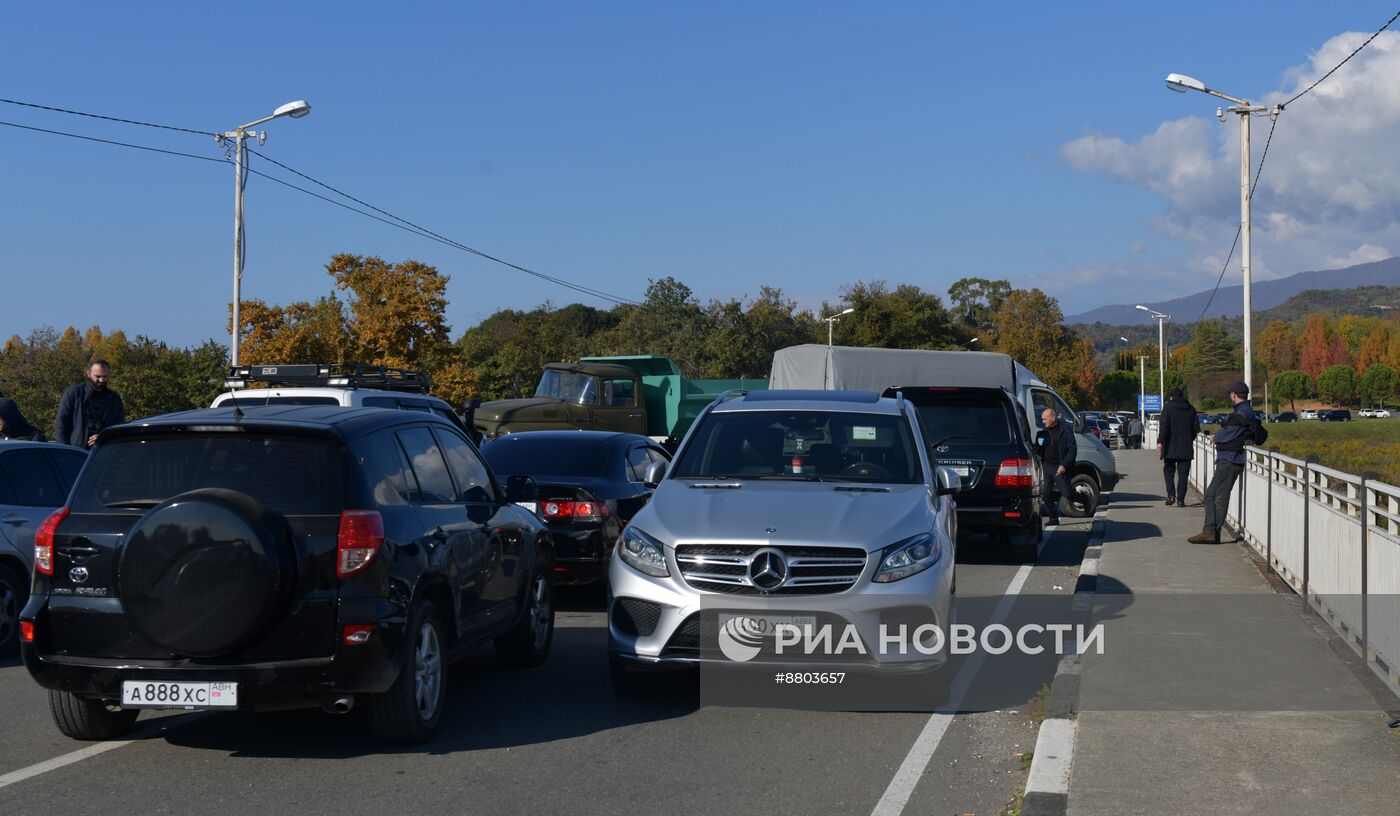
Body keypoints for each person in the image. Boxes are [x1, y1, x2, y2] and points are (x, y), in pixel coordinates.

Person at [1189, 381, 1256, 545]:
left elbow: (1227, 433)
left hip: (1230, 459)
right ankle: (1212, 532)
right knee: (1218, 495)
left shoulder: (1241, 413)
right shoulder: (1246, 411)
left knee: (1214, 495)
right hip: (1232, 458)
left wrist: (1216, 437)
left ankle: (1210, 532)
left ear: (1234, 395)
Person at [54, 359, 125, 449]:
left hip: (103, 450)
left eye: (105, 376)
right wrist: (64, 450)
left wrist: (104, 437)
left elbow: (119, 427)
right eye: (98, 376)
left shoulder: (114, 399)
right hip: (76, 450)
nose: (102, 380)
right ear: (88, 373)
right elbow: (61, 423)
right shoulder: (75, 393)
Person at [1156, 389, 1199, 506]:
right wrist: (1189, 439)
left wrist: (1160, 442)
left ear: (1171, 397)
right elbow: (1196, 428)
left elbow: (1164, 427)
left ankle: (1171, 495)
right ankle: (1181, 500)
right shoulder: (1191, 409)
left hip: (1170, 447)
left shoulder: (1168, 408)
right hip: (1186, 448)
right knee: (1183, 475)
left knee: (1168, 471)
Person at [1037, 407, 1076, 526]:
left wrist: (1064, 465)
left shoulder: (1066, 431)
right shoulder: (1044, 432)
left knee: (1067, 493)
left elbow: (1072, 450)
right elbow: (1039, 449)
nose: (1043, 421)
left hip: (1060, 467)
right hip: (1047, 466)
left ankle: (1084, 498)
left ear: (1053, 418)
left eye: (1045, 419)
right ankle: (1053, 518)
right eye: (1042, 419)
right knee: (1046, 494)